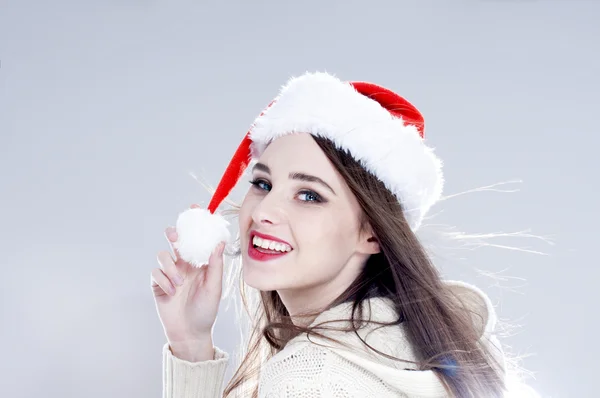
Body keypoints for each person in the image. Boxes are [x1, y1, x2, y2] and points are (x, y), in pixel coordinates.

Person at [151, 72, 516, 397]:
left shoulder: (308, 379)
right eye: (262, 183)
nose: (262, 212)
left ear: (372, 234)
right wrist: (191, 345)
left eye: (309, 196)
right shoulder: (430, 344)